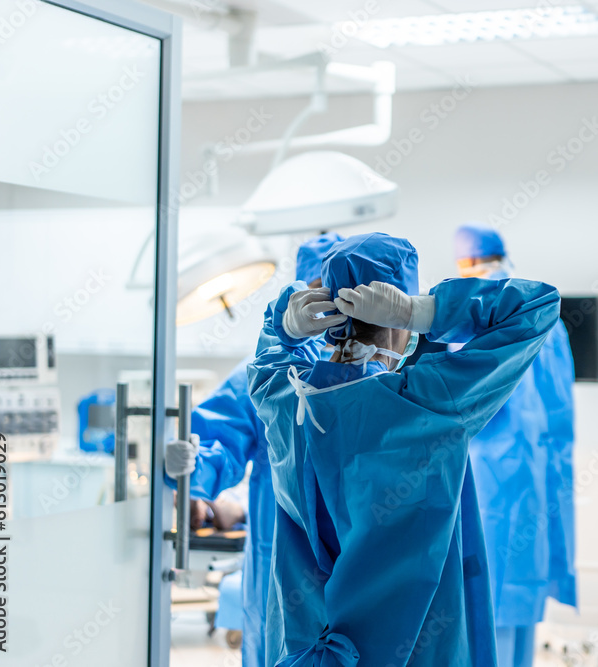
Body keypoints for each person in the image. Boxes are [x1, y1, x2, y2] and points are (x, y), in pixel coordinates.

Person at [247, 232, 561, 666]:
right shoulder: (426, 402)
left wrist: (284, 327)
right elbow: (536, 305)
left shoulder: (283, 398)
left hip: (302, 648)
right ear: (397, 311)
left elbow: (269, 358)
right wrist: (426, 311)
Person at [163, 232, 343, 667]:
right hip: (281, 562)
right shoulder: (262, 376)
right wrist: (189, 461)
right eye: (319, 289)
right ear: (299, 293)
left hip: (357, 564)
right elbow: (218, 445)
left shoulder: (383, 370)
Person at [453, 223, 577, 667]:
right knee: (519, 606)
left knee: (484, 606)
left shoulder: (469, 318)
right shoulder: (543, 313)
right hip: (535, 480)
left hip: (487, 484)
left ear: (465, 263)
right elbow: (560, 418)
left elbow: (454, 403)